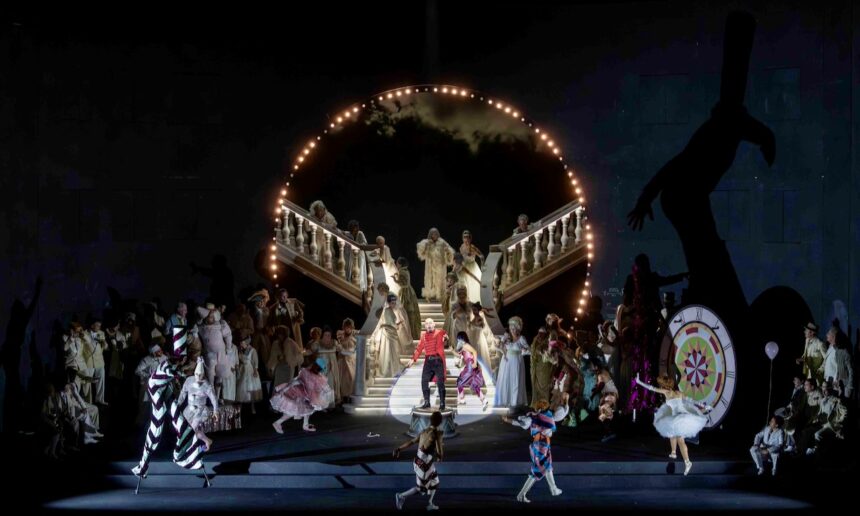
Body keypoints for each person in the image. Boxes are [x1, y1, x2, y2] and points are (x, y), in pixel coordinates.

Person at [635, 373, 710, 475]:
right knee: (671, 431)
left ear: (664, 385)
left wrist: (639, 382)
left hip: (679, 419)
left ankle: (688, 462)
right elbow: (691, 400)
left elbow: (651, 388)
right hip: (681, 416)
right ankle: (673, 452)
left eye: (661, 385)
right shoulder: (679, 393)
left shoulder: (667, 392)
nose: (660, 387)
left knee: (680, 440)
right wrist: (703, 405)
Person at [503, 395, 569, 503]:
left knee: (548, 466)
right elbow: (563, 412)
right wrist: (566, 401)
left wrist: (508, 420)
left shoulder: (532, 417)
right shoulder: (549, 416)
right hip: (541, 447)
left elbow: (520, 423)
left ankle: (553, 488)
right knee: (536, 471)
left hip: (541, 446)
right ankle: (521, 494)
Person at [393, 411, 445, 511]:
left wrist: (399, 449)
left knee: (435, 481)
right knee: (421, 490)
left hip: (422, 461)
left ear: (431, 420)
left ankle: (430, 504)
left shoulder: (424, 431)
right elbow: (439, 452)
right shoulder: (437, 433)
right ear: (440, 421)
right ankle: (401, 496)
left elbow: (411, 442)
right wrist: (440, 457)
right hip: (424, 464)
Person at [271, 358, 334, 433]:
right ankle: (277, 423)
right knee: (293, 410)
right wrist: (286, 388)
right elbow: (300, 382)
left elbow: (315, 386)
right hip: (298, 393)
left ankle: (305, 425)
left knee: (308, 408)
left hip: (304, 392)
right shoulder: (309, 374)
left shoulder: (309, 372)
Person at [177, 357, 219, 451]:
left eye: (200, 375)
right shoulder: (189, 380)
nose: (198, 376)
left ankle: (190, 449)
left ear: (203, 374)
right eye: (196, 374)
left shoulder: (207, 385)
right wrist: (178, 403)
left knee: (191, 429)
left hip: (200, 410)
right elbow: (183, 393)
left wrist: (215, 411)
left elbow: (214, 399)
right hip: (189, 409)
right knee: (194, 430)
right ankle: (207, 441)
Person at [407, 319, 449, 410]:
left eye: (430, 323)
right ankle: (427, 402)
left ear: (434, 324)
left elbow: (446, 337)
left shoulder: (440, 332)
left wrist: (445, 338)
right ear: (425, 326)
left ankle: (442, 403)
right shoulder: (423, 336)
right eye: (426, 324)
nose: (429, 325)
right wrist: (413, 359)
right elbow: (419, 349)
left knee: (440, 382)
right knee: (424, 381)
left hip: (438, 361)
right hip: (428, 362)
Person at [196, 303, 232, 391]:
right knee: (210, 375)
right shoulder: (201, 327)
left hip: (221, 353)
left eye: (212, 316)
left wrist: (228, 348)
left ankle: (217, 395)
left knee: (220, 375)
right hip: (209, 353)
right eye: (209, 316)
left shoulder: (220, 324)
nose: (210, 317)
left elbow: (228, 335)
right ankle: (211, 394)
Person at [495, 317, 529, 408]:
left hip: (517, 361)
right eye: (511, 328)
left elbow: (529, 351)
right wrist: (500, 343)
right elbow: (500, 348)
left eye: (514, 328)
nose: (512, 330)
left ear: (518, 328)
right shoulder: (507, 337)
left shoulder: (521, 339)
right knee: (505, 380)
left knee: (515, 380)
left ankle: (515, 402)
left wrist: (524, 350)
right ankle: (504, 400)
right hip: (506, 361)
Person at [416, 228, 455, 302]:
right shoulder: (427, 242)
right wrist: (425, 246)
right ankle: (428, 295)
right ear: (430, 235)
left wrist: (448, 252)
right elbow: (421, 252)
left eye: (435, 234)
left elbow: (450, 251)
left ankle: (440, 296)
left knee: (440, 280)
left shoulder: (442, 242)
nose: (434, 235)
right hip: (430, 264)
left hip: (440, 265)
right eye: (432, 234)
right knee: (429, 280)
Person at [454, 332, 489, 411]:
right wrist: (452, 350)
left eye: (459, 338)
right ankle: (484, 400)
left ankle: (462, 399)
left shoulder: (465, 345)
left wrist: (475, 363)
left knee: (460, 381)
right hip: (470, 365)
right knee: (474, 384)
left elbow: (475, 352)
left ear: (462, 338)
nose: (458, 340)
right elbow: (459, 355)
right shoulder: (463, 347)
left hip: (470, 366)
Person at [135, 344, 167, 425]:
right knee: (145, 404)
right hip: (147, 386)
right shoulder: (146, 360)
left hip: (160, 386)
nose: (161, 352)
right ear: (154, 353)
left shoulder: (164, 357)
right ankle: (141, 423)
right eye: (159, 351)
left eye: (161, 350)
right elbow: (137, 371)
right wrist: (149, 376)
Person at [312, 326, 341, 407]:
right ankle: (321, 404)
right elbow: (311, 350)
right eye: (326, 335)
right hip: (321, 366)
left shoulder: (334, 342)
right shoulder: (318, 343)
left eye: (329, 335)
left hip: (332, 367)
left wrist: (339, 346)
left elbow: (340, 349)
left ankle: (330, 404)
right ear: (323, 335)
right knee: (321, 385)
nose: (328, 337)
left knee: (330, 384)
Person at [394, 257, 422, 339]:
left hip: (405, 292)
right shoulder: (406, 270)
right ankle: (412, 332)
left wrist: (395, 280)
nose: (396, 265)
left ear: (400, 264)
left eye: (397, 263)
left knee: (405, 311)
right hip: (409, 291)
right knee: (410, 312)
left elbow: (402, 283)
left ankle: (407, 333)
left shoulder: (402, 271)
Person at [236, 336, 263, 414]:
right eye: (240, 342)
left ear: (246, 343)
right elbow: (239, 360)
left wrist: (255, 370)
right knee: (241, 388)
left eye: (242, 342)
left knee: (250, 387)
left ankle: (252, 407)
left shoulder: (252, 350)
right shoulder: (240, 350)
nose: (241, 344)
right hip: (242, 369)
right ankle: (240, 407)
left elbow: (255, 361)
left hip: (249, 369)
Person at [467, 302, 497, 372]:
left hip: (478, 338)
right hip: (473, 338)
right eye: (473, 310)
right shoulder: (474, 318)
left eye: (475, 310)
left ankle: (480, 371)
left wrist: (472, 325)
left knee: (479, 354)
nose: (474, 311)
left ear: (478, 310)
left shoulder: (480, 318)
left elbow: (482, 326)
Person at [530, 327, 555, 406]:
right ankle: (536, 405)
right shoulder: (535, 341)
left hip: (545, 368)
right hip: (536, 367)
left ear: (545, 334)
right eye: (539, 333)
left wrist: (542, 352)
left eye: (542, 333)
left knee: (544, 387)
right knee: (536, 387)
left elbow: (550, 356)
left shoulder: (547, 343)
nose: (540, 335)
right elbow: (532, 351)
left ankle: (544, 405)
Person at [87, 319, 108, 406]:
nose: (99, 327)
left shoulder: (101, 333)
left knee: (101, 381)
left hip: (99, 361)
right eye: (97, 325)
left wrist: (104, 342)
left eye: (100, 326)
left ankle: (100, 399)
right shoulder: (85, 333)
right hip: (89, 361)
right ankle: (88, 401)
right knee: (88, 382)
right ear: (92, 325)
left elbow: (105, 347)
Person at [457, 230, 483, 303]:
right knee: (465, 284)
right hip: (464, 267)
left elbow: (481, 256)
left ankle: (475, 302)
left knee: (474, 284)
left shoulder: (472, 247)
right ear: (462, 238)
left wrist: (482, 265)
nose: (466, 239)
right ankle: (465, 301)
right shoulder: (461, 247)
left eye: (467, 237)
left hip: (472, 267)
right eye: (464, 237)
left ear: (470, 238)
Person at [337, 319, 357, 403]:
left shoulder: (354, 336)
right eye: (346, 327)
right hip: (342, 360)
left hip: (351, 360)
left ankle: (350, 395)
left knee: (351, 378)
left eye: (349, 327)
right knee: (342, 379)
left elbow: (354, 349)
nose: (347, 329)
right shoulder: (340, 336)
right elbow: (339, 347)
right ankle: (343, 397)